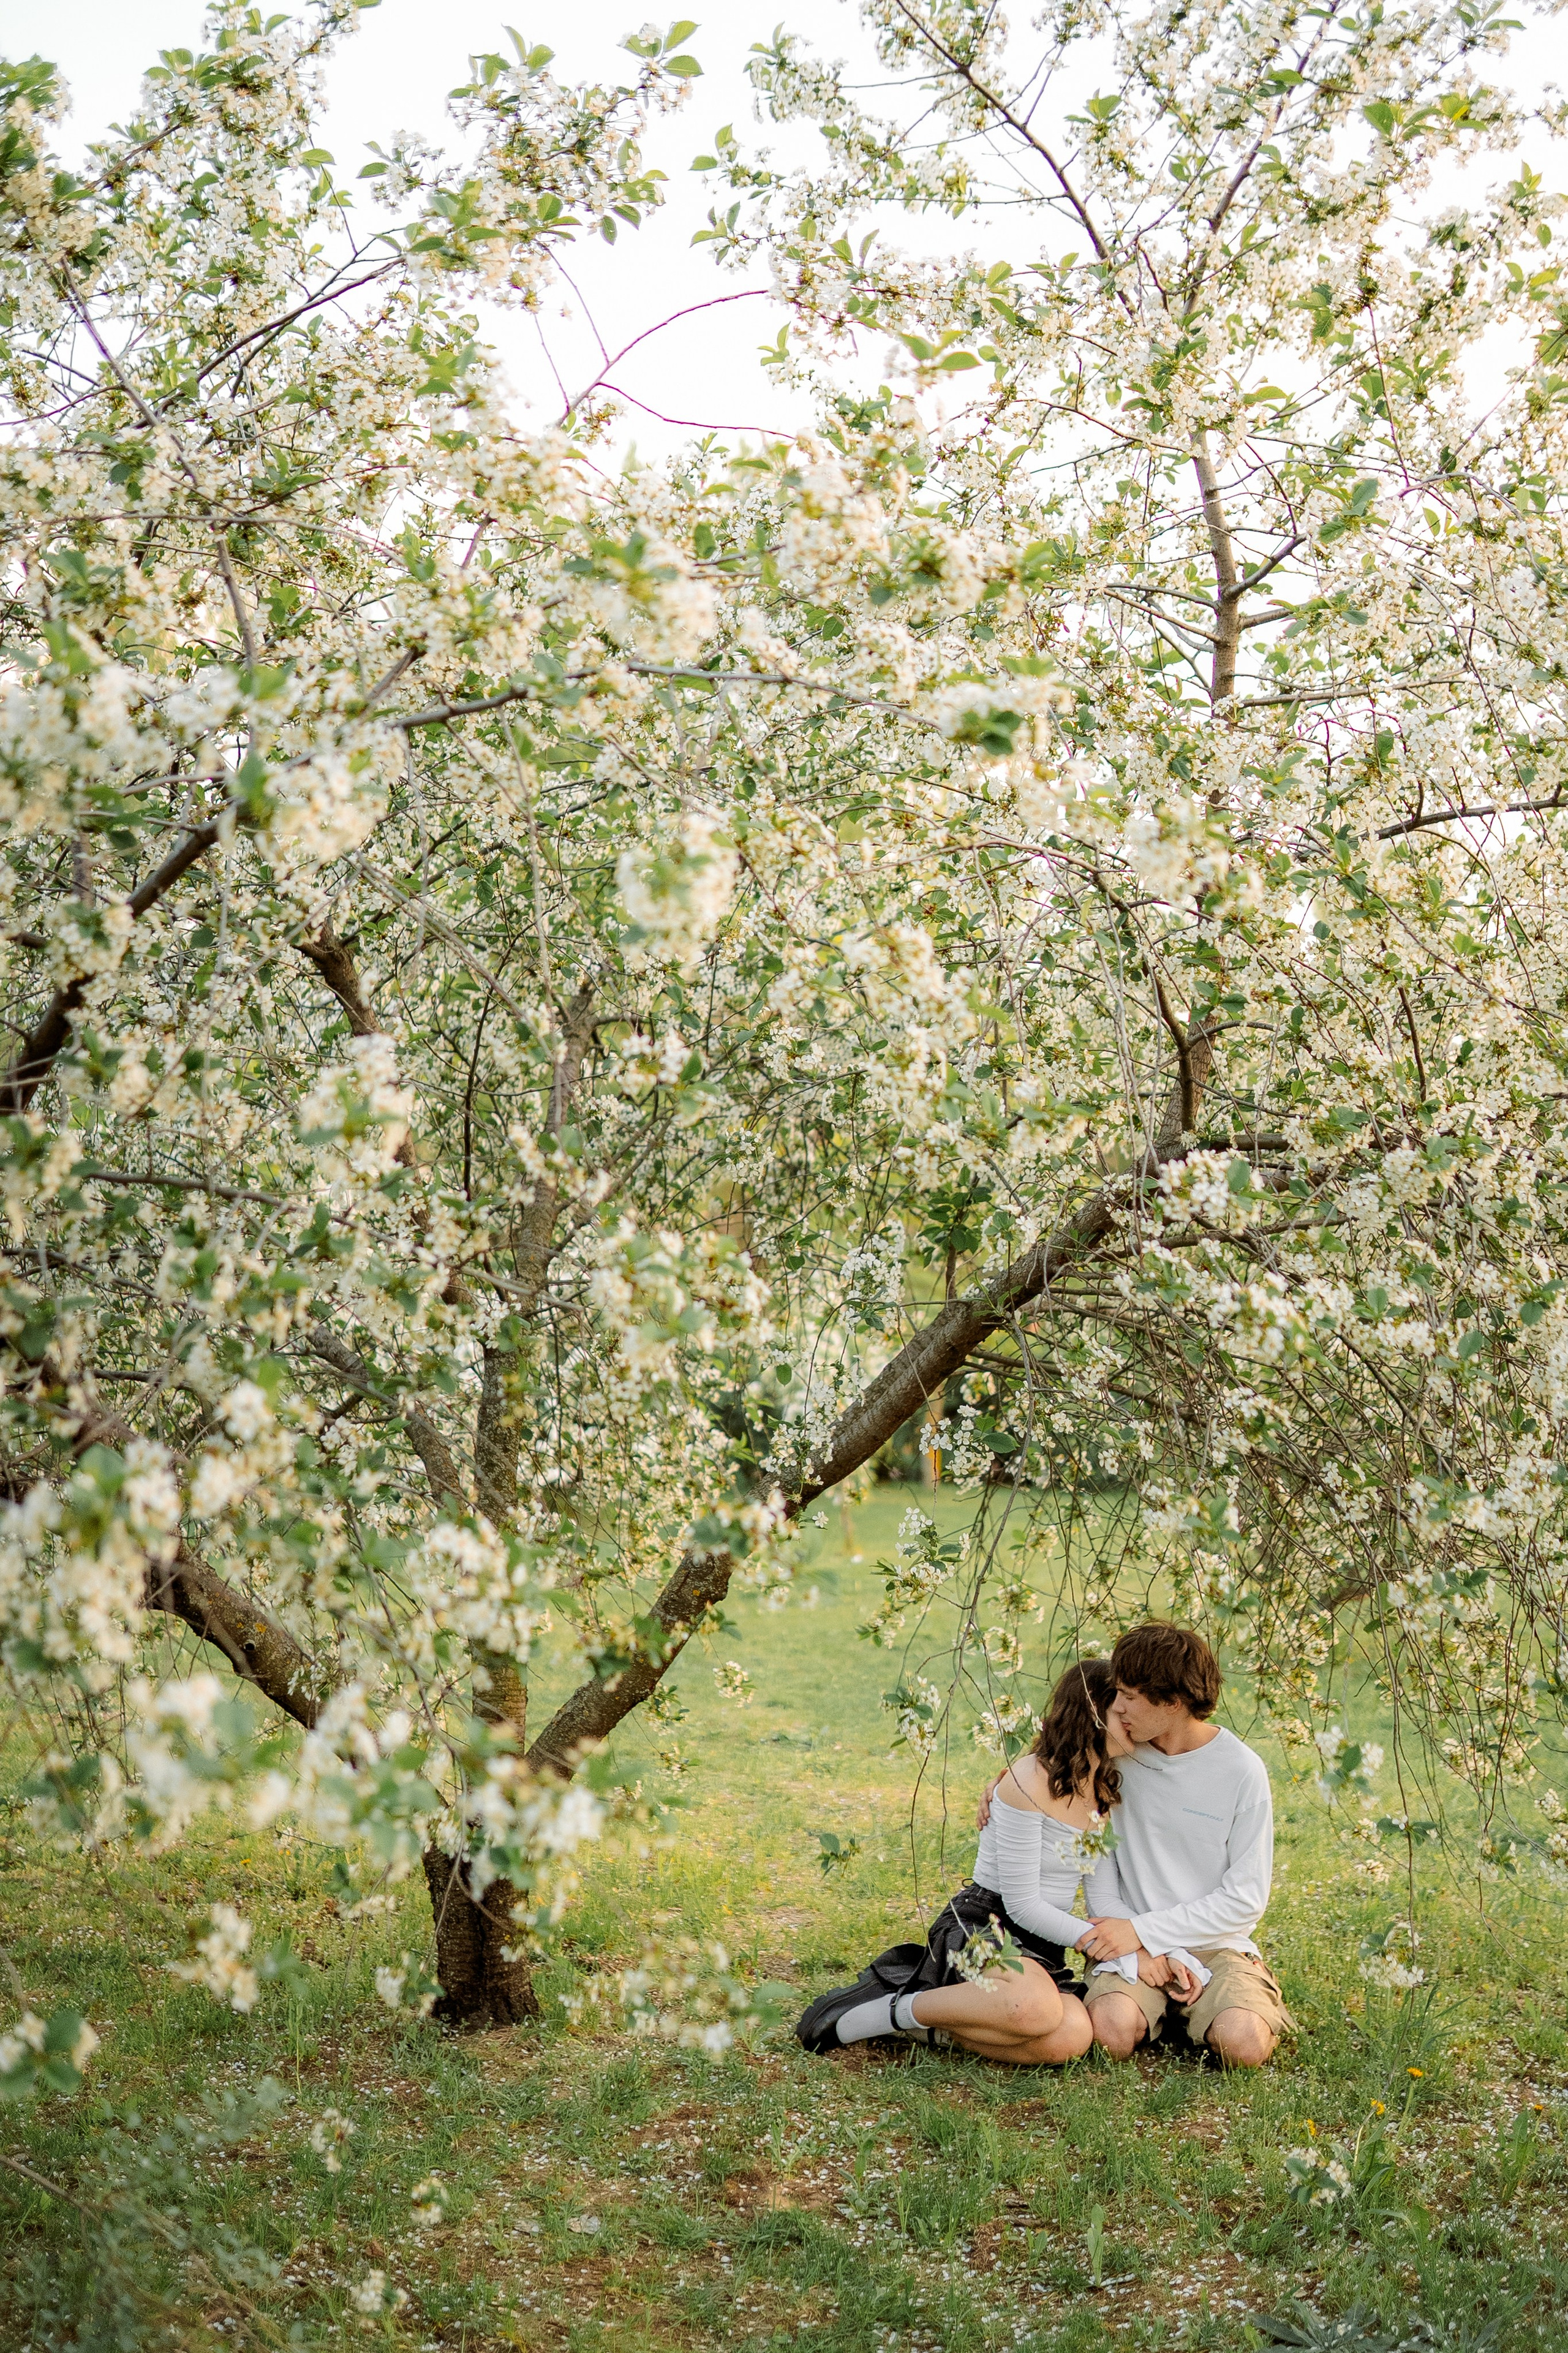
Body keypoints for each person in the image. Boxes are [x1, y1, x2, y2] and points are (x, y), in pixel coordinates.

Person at [796, 1658, 1199, 2066]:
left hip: (1042, 1945)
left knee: (1073, 2036)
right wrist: (1105, 1946)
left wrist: (1148, 1948)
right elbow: (1022, 1905)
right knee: (1035, 2006)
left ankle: (927, 2026)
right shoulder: (1029, 1781)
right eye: (1120, 1708)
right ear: (1090, 1713)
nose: (1131, 1718)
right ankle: (886, 2009)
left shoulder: (1102, 1795)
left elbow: (1105, 1902)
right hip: (983, 1924)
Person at [976, 1622, 1289, 2068]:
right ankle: (1166, 2011)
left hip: (1213, 1943)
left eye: (1128, 1695)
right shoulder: (1119, 1753)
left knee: (1244, 2044)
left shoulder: (1242, 1770)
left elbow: (1245, 1900)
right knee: (1109, 2034)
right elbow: (1053, 1764)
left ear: (1172, 1702)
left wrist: (1146, 1934)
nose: (1116, 1705)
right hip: (1127, 1941)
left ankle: (1224, 2006)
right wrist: (1005, 1779)